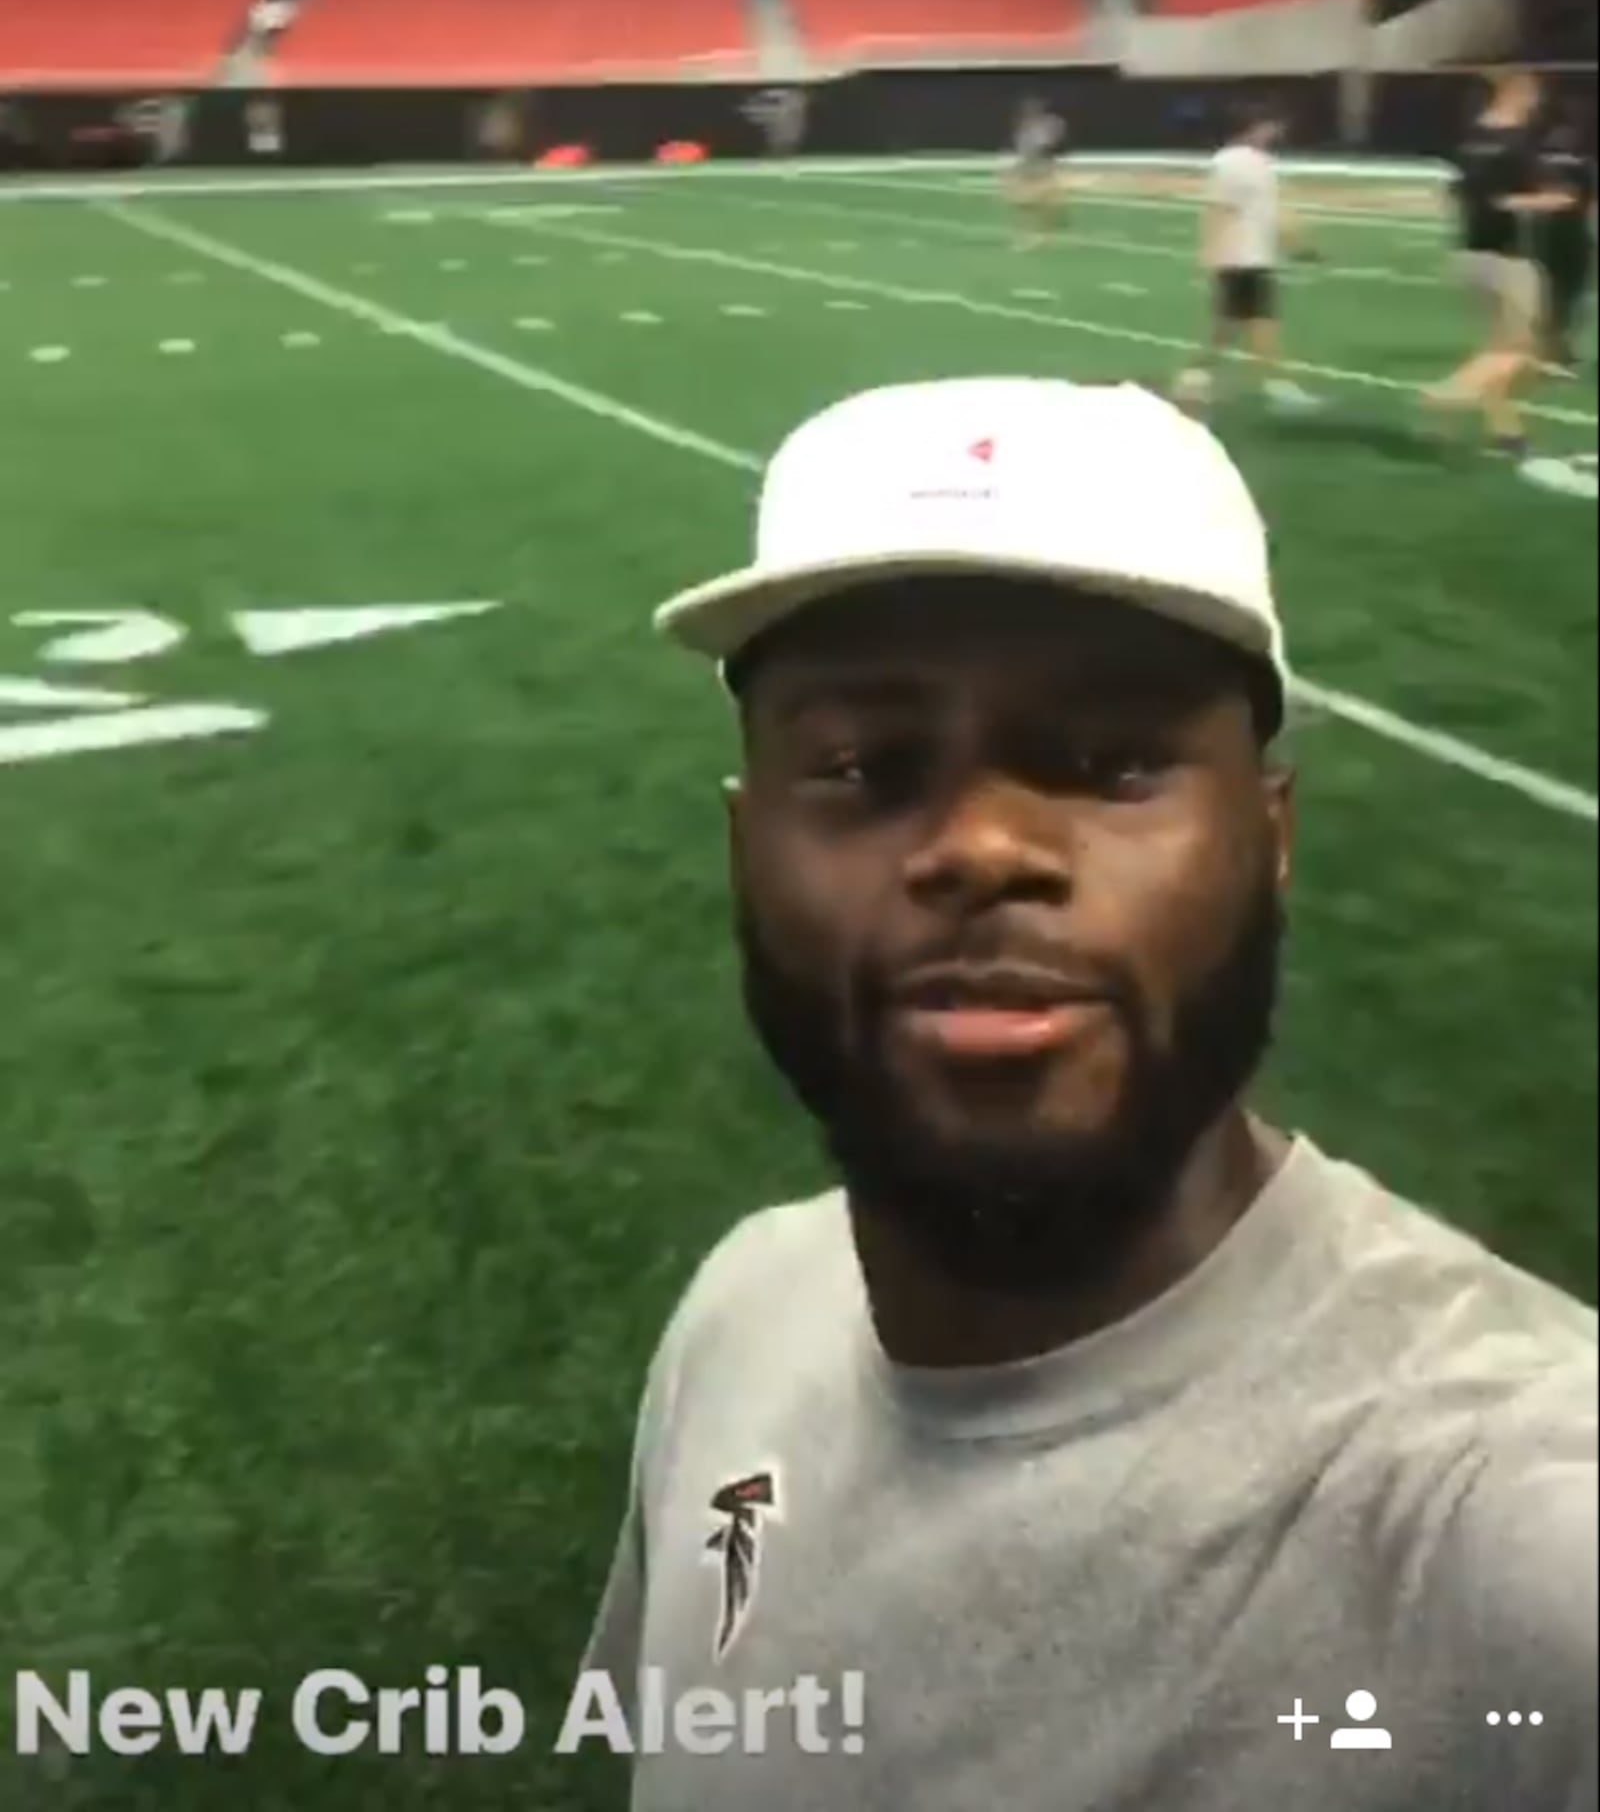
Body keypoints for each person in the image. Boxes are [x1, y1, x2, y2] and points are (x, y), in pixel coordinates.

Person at [579, 378, 1595, 1810]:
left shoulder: (1524, 1549)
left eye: (1116, 759)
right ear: (748, 844)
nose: (985, 844)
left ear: (1272, 832)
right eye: (866, 766)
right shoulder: (737, 1317)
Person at [1425, 67, 1553, 455]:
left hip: (1470, 251)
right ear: (1520, 95)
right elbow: (1521, 197)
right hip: (1509, 254)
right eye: (1533, 98)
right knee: (1519, 348)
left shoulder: (1468, 138)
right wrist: (1552, 202)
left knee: (1498, 345)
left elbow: (1455, 191)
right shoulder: (1519, 144)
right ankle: (1448, 392)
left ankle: (1506, 431)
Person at [1176, 103, 1316, 411]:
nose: (1277, 131)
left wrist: (1295, 241)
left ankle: (1194, 377)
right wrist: (1212, 250)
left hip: (1254, 253)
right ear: (1255, 126)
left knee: (1226, 328)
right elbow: (1219, 207)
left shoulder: (1260, 162)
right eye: (1271, 124)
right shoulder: (1231, 162)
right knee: (1263, 323)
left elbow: (1270, 209)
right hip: (1241, 256)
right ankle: (1280, 387)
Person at [1531, 105, 1596, 378]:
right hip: (1573, 233)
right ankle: (1558, 351)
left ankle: (1543, 349)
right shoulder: (1584, 164)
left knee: (1547, 293)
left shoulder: (1536, 162)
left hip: (1542, 234)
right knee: (1570, 296)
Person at [1005, 94, 1067, 246]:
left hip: (1040, 165)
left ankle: (1041, 234)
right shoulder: (1025, 126)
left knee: (1037, 201)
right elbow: (1023, 147)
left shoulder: (1048, 124)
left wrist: (1038, 160)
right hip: (1029, 165)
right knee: (1023, 202)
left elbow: (1046, 146)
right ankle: (1036, 232)